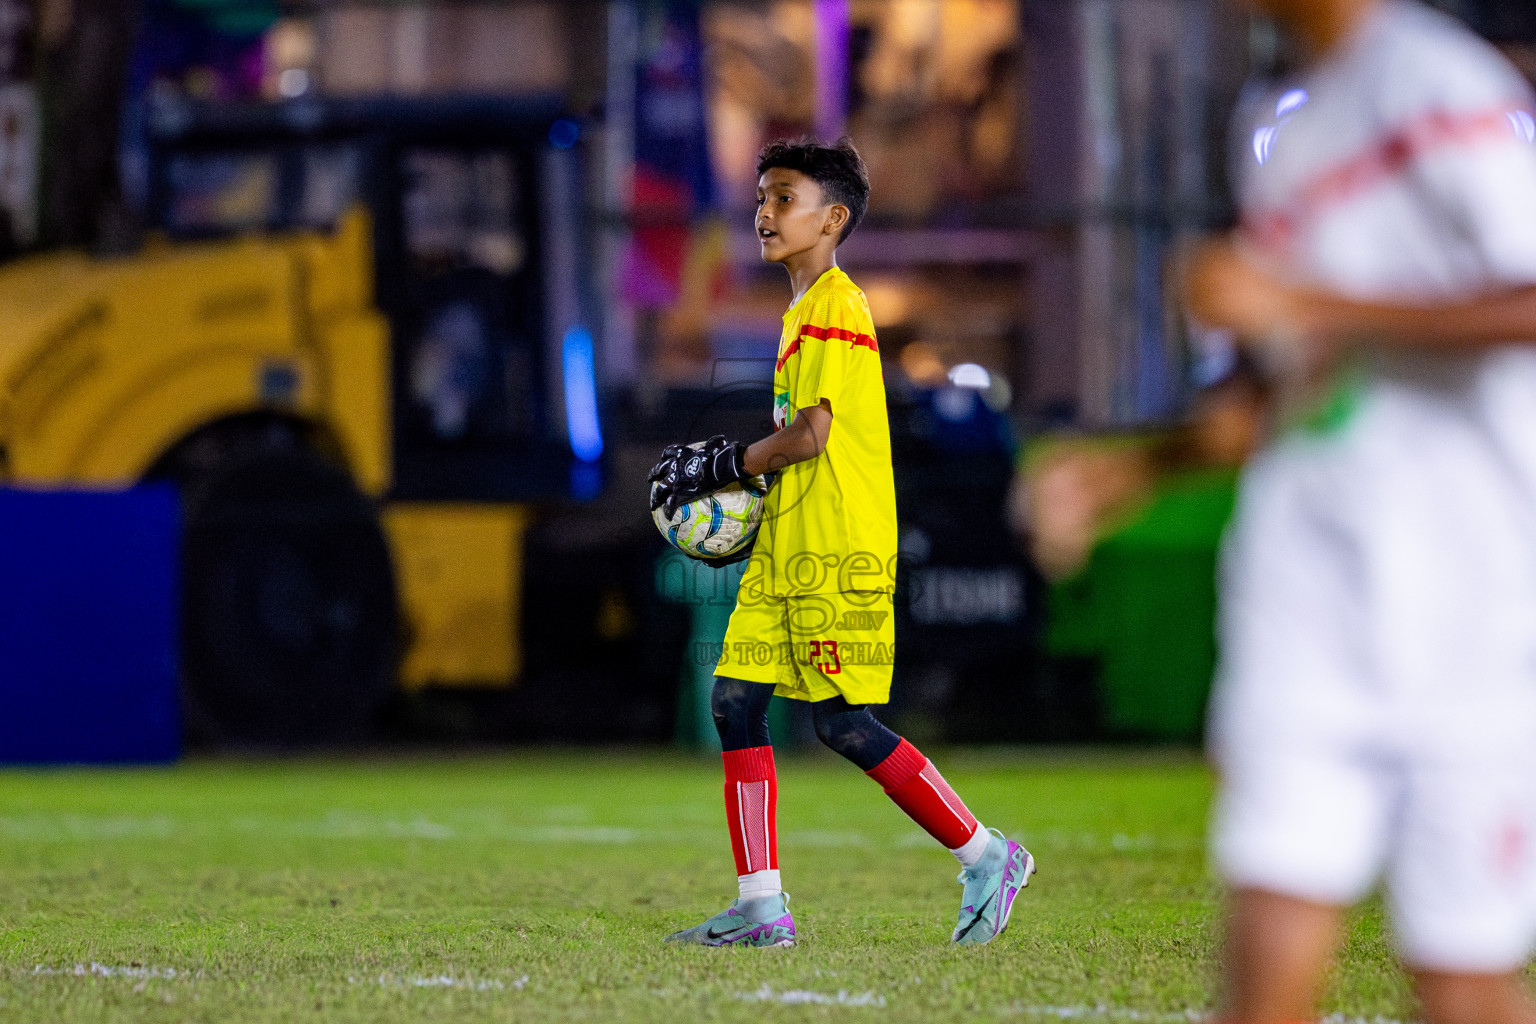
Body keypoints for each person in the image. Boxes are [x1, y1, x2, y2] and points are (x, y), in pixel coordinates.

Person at [1183, 0, 1536, 1020]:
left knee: (1461, 975)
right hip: (1314, 583)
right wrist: (1141, 469)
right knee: (1270, 911)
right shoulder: (1287, 123)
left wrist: (1302, 302)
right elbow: (1313, 371)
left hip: (1471, 597)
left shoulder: (1440, 87)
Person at [649, 137, 1034, 948]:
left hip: (837, 548)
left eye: (784, 197)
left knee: (843, 724)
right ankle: (760, 908)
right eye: (761, 196)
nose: (764, 211)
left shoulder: (835, 303)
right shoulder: (801, 312)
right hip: (789, 549)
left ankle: (988, 853)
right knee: (734, 702)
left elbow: (812, 436)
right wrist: (750, 474)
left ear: (834, 218)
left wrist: (726, 461)